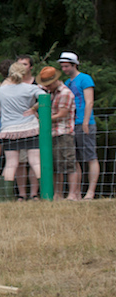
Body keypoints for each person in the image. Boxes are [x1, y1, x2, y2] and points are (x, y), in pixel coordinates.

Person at [0, 61, 42, 201]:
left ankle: (6, 198)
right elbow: (47, 97)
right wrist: (33, 108)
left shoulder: (0, 89)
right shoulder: (29, 88)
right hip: (30, 128)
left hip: (9, 130)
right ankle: (45, 192)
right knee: (35, 161)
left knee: (11, 163)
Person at [59, 52, 99, 200]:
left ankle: (91, 191)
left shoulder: (85, 79)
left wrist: (86, 122)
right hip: (70, 123)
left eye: (67, 66)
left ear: (74, 65)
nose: (64, 69)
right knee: (73, 159)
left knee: (90, 156)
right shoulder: (67, 82)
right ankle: (75, 192)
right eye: (62, 66)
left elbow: (89, 101)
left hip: (84, 122)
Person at [38, 66, 76, 200]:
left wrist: (43, 118)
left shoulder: (64, 93)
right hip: (52, 133)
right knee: (55, 165)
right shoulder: (51, 93)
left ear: (54, 81)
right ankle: (58, 194)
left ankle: (72, 194)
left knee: (68, 164)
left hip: (64, 133)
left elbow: (62, 114)